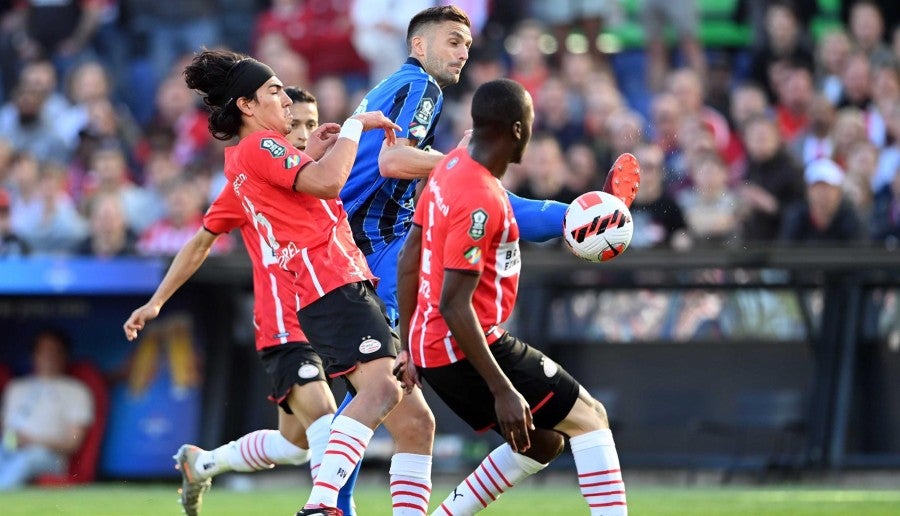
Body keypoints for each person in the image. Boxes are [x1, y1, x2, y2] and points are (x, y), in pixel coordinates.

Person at [180, 49, 435, 516]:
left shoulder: (245, 156)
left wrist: (311, 153)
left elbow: (295, 191)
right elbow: (329, 183)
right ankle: (321, 504)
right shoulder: (259, 145)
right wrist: (355, 126)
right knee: (380, 392)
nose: (286, 101)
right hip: (332, 282)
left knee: (416, 421)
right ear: (247, 105)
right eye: (274, 91)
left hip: (332, 285)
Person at [123, 87, 361, 516]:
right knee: (326, 417)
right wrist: (157, 301)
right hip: (285, 326)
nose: (302, 133)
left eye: (311, 124)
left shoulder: (323, 181)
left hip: (327, 317)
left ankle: (202, 463)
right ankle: (328, 510)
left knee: (294, 445)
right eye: (294, 122)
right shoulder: (249, 183)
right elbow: (200, 243)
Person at [396, 78, 627, 515]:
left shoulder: (449, 168)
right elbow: (454, 303)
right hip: (463, 343)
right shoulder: (480, 197)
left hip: (431, 346)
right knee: (591, 417)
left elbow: (411, 255)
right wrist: (502, 389)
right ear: (518, 129)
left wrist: (408, 344)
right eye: (531, 123)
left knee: (542, 442)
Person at [341, 5, 640, 327]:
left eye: (467, 45)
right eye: (453, 42)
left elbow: (394, 160)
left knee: (480, 196)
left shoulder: (392, 85)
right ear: (419, 45)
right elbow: (392, 160)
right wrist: (461, 163)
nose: (463, 54)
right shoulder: (421, 86)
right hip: (373, 239)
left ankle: (582, 219)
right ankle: (587, 219)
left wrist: (455, 165)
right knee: (483, 196)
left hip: (368, 234)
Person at [0, 329, 94, 490]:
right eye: (43, 351)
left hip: (50, 456)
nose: (48, 356)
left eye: (55, 351)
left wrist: (31, 440)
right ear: (33, 355)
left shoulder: (77, 390)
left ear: (65, 355)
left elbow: (73, 442)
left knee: (28, 458)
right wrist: (13, 440)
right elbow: (5, 429)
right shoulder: (15, 387)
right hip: (9, 448)